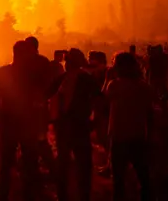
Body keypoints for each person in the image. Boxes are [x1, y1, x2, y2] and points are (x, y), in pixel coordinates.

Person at [0, 40, 42, 201]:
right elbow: (39, 99)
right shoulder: (33, 74)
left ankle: (4, 196)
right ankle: (29, 195)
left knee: (6, 163)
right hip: (27, 122)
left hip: (8, 122)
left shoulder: (1, 72)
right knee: (30, 163)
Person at [49, 48, 98, 201]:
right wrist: (94, 121)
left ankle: (63, 194)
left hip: (66, 125)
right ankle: (82, 194)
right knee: (82, 163)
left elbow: (47, 95)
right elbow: (99, 100)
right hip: (78, 125)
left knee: (65, 161)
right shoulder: (86, 78)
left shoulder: (63, 78)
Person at [106, 52, 153, 201]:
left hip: (119, 136)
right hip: (138, 135)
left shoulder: (114, 85)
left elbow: (102, 99)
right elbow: (149, 112)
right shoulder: (143, 86)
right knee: (144, 177)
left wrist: (107, 79)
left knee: (118, 180)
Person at [25, 36, 56, 181]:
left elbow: (49, 84)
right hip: (33, 107)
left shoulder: (38, 62)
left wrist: (41, 99)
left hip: (36, 108)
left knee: (39, 139)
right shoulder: (40, 61)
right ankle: (36, 168)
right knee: (33, 139)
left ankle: (49, 167)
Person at [147, 45, 168, 115]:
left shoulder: (153, 58)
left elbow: (151, 69)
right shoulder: (165, 57)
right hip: (161, 77)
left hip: (156, 77)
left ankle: (158, 110)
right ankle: (164, 109)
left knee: (156, 93)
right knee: (162, 92)